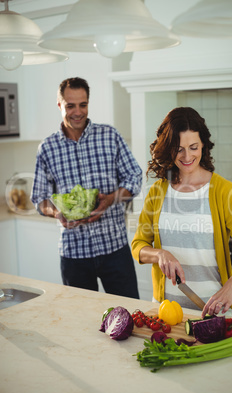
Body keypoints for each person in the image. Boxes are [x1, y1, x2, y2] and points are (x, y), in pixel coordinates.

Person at [131, 107, 232, 317]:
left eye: (193, 147)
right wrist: (160, 254)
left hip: (215, 310)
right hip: (166, 312)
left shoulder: (223, 191)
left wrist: (231, 286)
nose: (187, 156)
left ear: (203, 145)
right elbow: (138, 246)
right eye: (179, 148)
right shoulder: (157, 192)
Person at [31, 77, 142, 299]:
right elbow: (39, 198)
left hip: (114, 249)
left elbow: (135, 177)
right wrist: (57, 212)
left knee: (130, 315)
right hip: (74, 254)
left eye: (83, 104)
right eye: (70, 105)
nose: (78, 112)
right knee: (80, 321)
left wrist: (110, 199)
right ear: (60, 105)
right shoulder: (48, 148)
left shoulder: (109, 136)